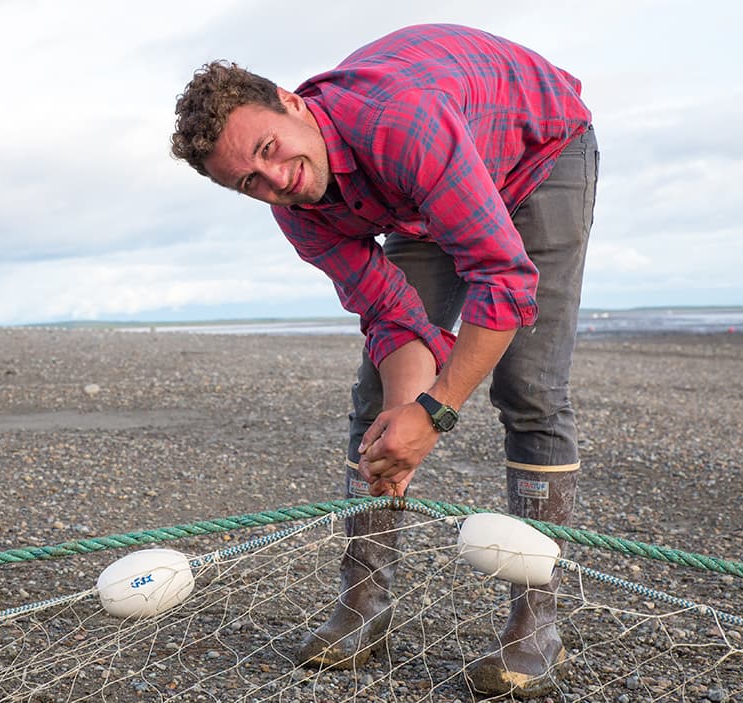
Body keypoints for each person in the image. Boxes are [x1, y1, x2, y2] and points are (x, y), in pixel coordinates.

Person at [170, 24, 597, 698]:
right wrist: (404, 422)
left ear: (292, 102)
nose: (277, 180)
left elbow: (503, 283)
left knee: (529, 388)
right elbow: (393, 316)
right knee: (378, 398)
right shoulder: (297, 208)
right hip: (430, 192)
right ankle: (364, 607)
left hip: (538, 156)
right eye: (251, 181)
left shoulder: (400, 124)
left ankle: (536, 621)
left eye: (270, 149)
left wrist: (433, 413)